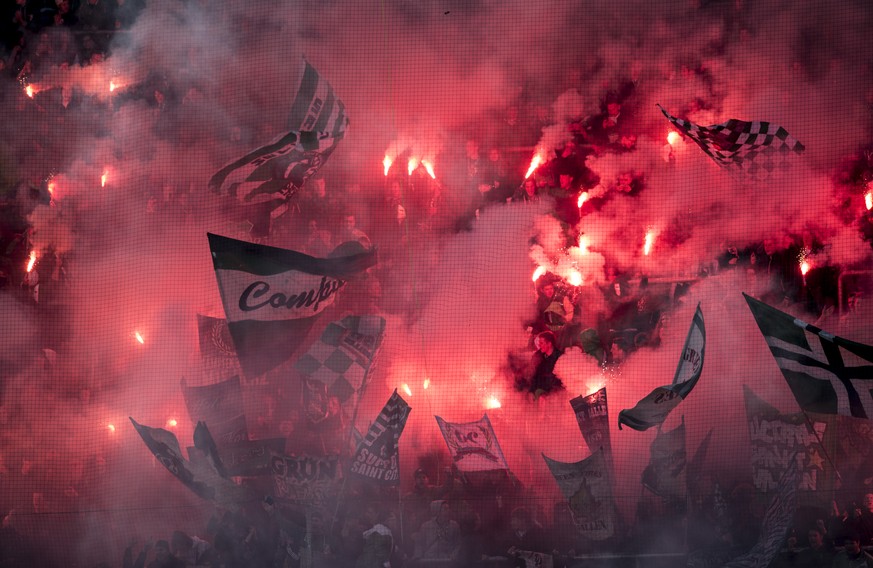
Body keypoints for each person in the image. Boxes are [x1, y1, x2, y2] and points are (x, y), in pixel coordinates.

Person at [527, 331, 564, 398]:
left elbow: (559, 382)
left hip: (554, 391)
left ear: (549, 344)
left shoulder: (560, 358)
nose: (539, 345)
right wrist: (531, 392)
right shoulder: (538, 355)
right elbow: (533, 375)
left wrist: (547, 395)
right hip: (539, 388)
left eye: (541, 343)